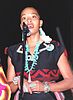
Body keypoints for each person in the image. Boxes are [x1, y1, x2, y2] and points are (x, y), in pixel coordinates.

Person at [7, 6, 73, 100]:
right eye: (24, 18)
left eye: (33, 17)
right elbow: (9, 88)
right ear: (21, 26)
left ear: (40, 23)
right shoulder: (13, 51)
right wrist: (18, 81)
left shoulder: (54, 48)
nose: (29, 20)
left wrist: (45, 87)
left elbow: (70, 81)